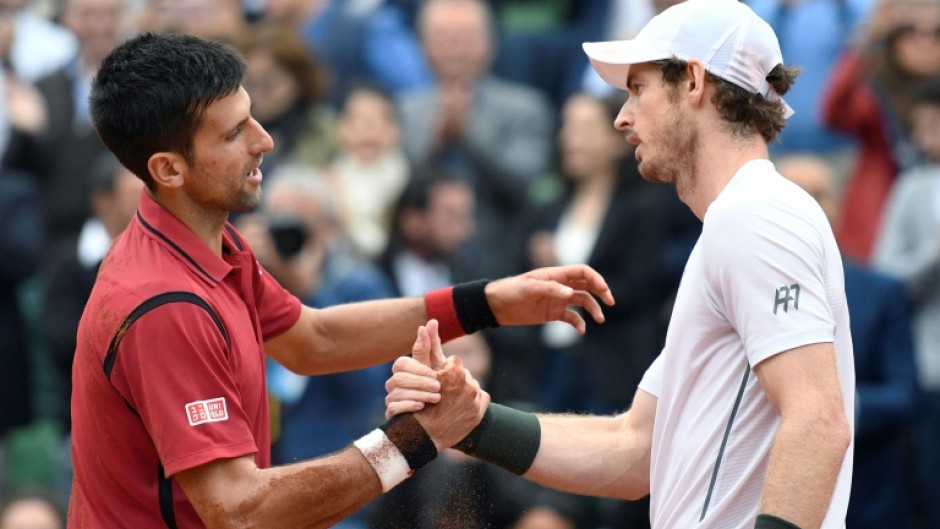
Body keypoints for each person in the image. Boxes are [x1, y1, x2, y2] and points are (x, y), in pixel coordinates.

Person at [68, 31, 614, 528]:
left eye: (252, 117)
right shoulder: (166, 304)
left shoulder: (201, 235)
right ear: (168, 169)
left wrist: (484, 303)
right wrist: (412, 442)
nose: (265, 141)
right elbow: (241, 512)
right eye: (235, 133)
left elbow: (314, 339)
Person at [386, 2, 856, 529]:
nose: (621, 117)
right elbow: (633, 449)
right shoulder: (738, 221)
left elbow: (817, 421)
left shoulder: (756, 214)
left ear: (694, 81)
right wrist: (471, 422)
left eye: (638, 88)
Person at [778, 154, 919, 529]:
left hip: (867, 494)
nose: (808, 206)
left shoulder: (881, 291)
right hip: (773, 493)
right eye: (796, 194)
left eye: (818, 195)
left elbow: (903, 395)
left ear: (838, 204)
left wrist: (831, 407)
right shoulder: (741, 292)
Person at [872, 77, 940, 529]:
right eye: (920, 125)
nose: (922, 137)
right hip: (932, 371)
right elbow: (885, 274)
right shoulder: (915, 186)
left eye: (932, 125)